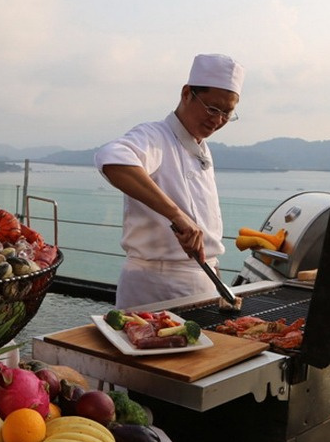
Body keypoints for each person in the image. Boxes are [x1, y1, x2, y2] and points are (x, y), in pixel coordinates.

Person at [95, 53, 244, 308]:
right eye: (212, 108)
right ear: (187, 93)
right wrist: (177, 215)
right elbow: (112, 159)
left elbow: (206, 233)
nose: (217, 120)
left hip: (204, 283)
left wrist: (215, 277)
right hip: (155, 286)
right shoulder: (155, 136)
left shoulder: (202, 148)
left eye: (226, 113)